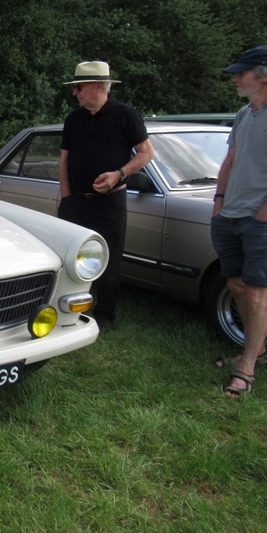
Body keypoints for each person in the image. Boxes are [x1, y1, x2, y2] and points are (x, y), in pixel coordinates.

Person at [211, 45, 267, 398]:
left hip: (264, 220)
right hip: (230, 215)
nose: (235, 78)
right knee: (237, 286)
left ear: (265, 75)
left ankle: (246, 368)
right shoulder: (245, 113)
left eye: (241, 72)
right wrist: (218, 202)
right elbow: (230, 161)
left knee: (259, 292)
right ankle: (256, 351)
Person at [58, 61, 155, 332]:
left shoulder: (125, 115)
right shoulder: (74, 119)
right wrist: (67, 196)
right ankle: (67, 308)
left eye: (79, 87)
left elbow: (147, 153)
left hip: (109, 203)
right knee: (69, 255)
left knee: (108, 259)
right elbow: (63, 160)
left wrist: (118, 175)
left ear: (98, 87)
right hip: (75, 201)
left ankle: (104, 316)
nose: (75, 92)